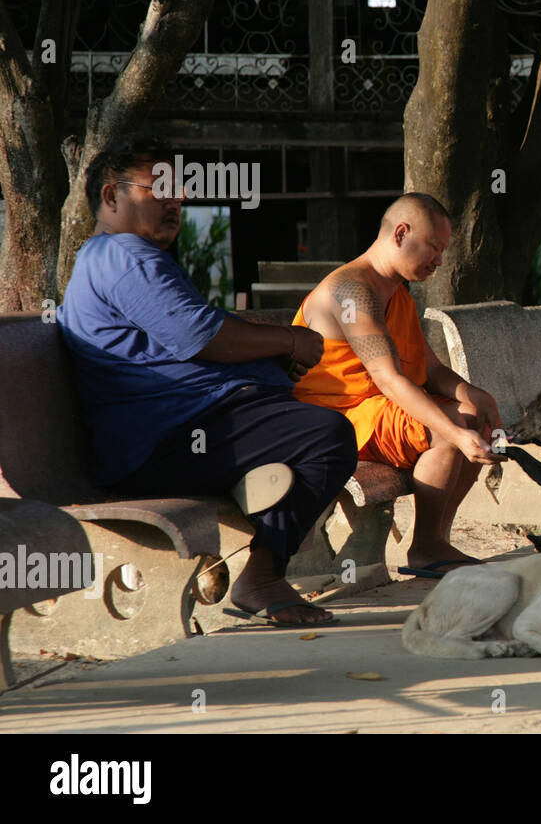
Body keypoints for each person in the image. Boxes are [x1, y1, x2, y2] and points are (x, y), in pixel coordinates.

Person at [57, 132, 358, 625]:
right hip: (160, 441)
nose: (176, 203)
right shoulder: (124, 256)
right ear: (112, 196)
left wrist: (265, 364)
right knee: (327, 436)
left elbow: (183, 340)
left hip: (181, 426)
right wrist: (289, 341)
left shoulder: (119, 256)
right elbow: (202, 337)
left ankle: (259, 549)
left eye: (180, 192)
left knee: (312, 428)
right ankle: (260, 576)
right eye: (161, 191)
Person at [292, 193, 503, 578]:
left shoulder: (396, 292)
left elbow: (431, 370)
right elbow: (389, 379)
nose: (440, 260)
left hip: (374, 409)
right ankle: (425, 546)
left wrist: (476, 395)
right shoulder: (353, 291)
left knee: (476, 417)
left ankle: (437, 536)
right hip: (334, 420)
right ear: (401, 233)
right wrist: (454, 431)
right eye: (435, 248)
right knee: (450, 430)